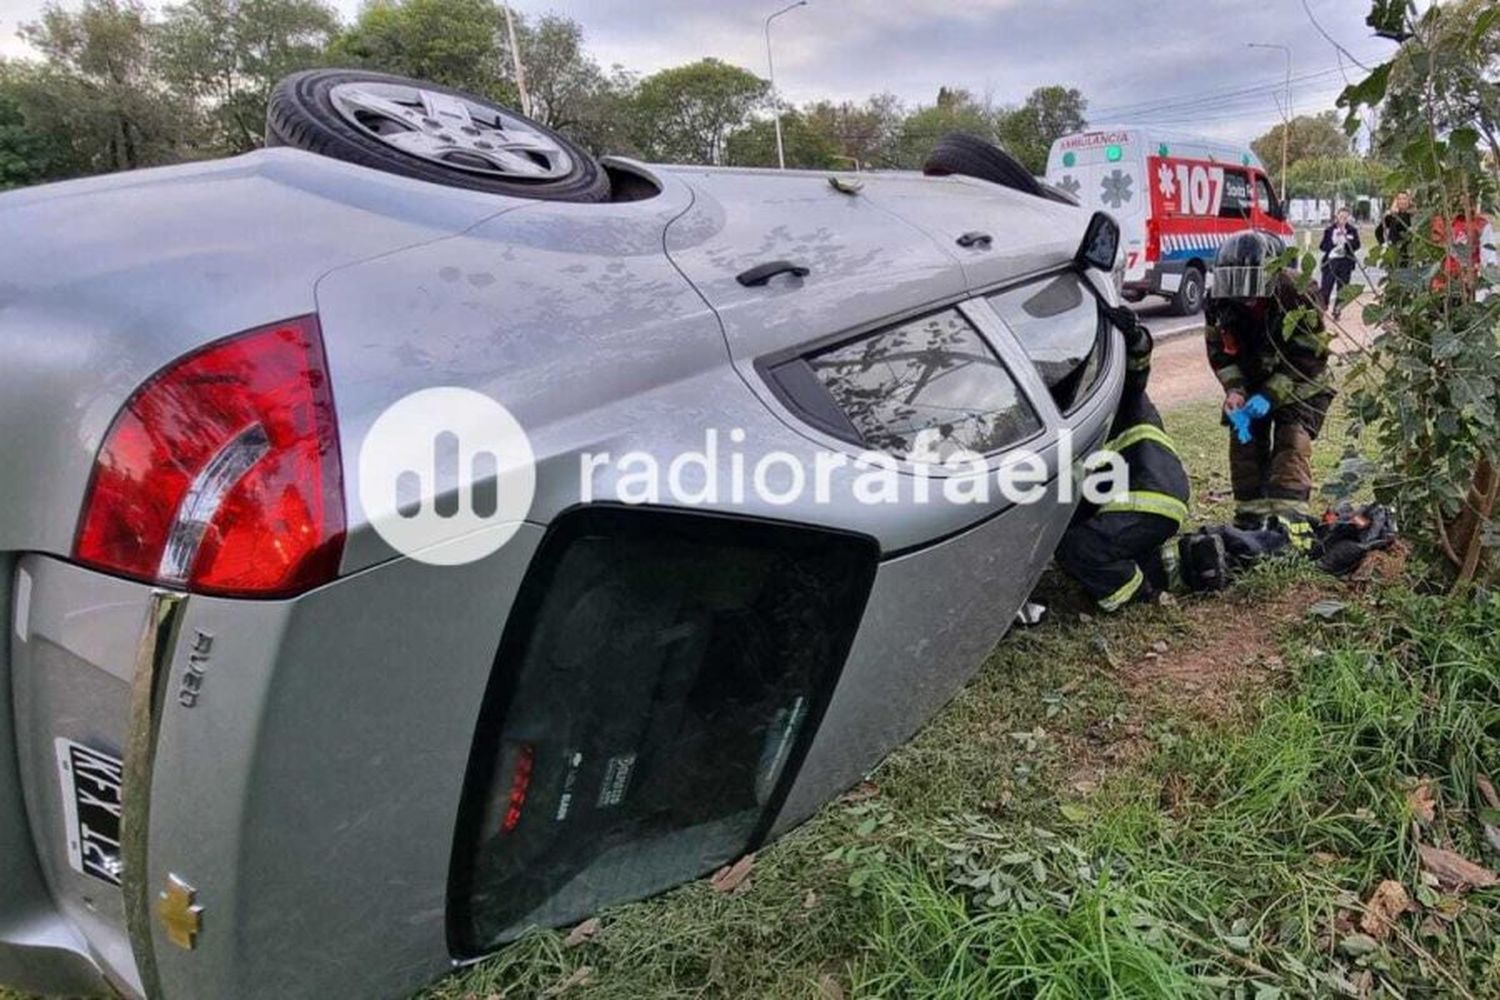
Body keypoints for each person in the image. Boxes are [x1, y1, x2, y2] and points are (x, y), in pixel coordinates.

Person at [1055, 306, 1192, 612]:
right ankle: (1155, 564)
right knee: (1084, 540)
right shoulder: (1090, 405)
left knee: (1076, 549)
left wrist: (1134, 336)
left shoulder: (1114, 394)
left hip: (1148, 494)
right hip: (1156, 491)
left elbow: (1137, 366)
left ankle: (1135, 594)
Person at [1204, 230, 1334, 534]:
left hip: (1301, 382)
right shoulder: (1218, 301)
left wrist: (1269, 396)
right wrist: (1235, 391)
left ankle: (1289, 526)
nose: (1244, 296)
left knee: (1291, 444)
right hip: (1251, 379)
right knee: (1244, 439)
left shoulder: (1298, 292)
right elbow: (1220, 354)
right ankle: (1250, 521)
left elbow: (1311, 355)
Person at [1318, 207, 1360, 318]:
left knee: (1342, 289)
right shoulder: (1329, 230)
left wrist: (1346, 243)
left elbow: (1357, 245)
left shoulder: (1352, 230)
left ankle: (1337, 309)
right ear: (1337, 217)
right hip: (1331, 262)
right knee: (1326, 287)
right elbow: (1322, 246)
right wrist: (1333, 244)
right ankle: (1323, 307)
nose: (1343, 219)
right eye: (1341, 217)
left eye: (1345, 217)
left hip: (1345, 263)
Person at [1374, 190, 1413, 268]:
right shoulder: (1391, 217)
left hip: (1408, 254)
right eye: (1399, 199)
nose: (1402, 201)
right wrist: (1383, 245)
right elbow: (1378, 231)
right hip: (1393, 253)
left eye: (1404, 198)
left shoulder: (1412, 216)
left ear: (1408, 201)